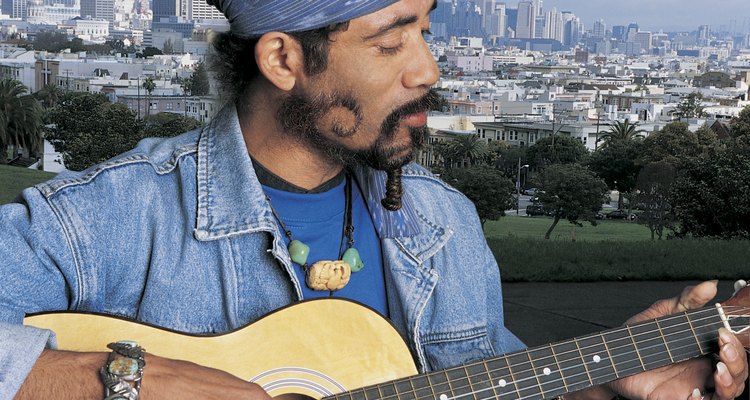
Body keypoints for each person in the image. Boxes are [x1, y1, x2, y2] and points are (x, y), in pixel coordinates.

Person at [0, 0, 746, 399]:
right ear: (285, 58)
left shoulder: (443, 221)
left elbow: (488, 385)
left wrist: (603, 388)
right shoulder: (104, 221)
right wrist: (127, 380)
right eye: (392, 42)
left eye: (427, 29)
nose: (429, 68)